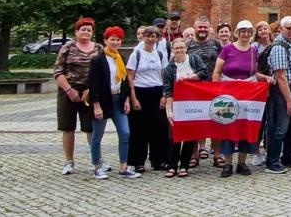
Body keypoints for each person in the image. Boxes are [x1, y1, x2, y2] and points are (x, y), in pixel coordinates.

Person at [212, 20, 266, 177]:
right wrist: (216, 91)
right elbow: (217, 71)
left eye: (248, 31)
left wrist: (266, 78)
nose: (245, 34)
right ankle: (227, 164)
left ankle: (242, 163)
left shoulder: (253, 51)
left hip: (247, 94)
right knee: (228, 125)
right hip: (228, 92)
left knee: (245, 126)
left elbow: (253, 73)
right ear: (237, 32)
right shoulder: (228, 49)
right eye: (243, 31)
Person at [88, 26, 140, 180]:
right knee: (97, 135)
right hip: (103, 100)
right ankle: (97, 167)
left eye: (118, 40)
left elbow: (124, 82)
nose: (115, 42)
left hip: (118, 99)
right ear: (105, 41)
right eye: (112, 39)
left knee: (125, 133)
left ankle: (123, 167)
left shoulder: (120, 58)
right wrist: (96, 105)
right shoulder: (97, 59)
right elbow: (93, 84)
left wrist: (126, 100)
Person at [54, 18, 101, 175]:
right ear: (76, 31)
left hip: (90, 92)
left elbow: (103, 72)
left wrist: (91, 89)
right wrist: (69, 90)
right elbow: (58, 71)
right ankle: (69, 161)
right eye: (83, 29)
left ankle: (97, 159)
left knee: (91, 128)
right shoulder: (67, 48)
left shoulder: (98, 48)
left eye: (89, 30)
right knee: (68, 127)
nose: (86, 32)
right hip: (68, 90)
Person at [162, 37, 209, 177]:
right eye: (176, 48)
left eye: (182, 47)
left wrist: (189, 77)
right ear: (172, 50)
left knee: (190, 134)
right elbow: (168, 90)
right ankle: (172, 165)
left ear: (186, 48)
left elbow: (204, 73)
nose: (179, 50)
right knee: (175, 135)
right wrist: (169, 111)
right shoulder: (168, 69)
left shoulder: (194, 60)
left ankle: (184, 165)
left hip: (194, 101)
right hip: (177, 103)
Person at [266, 16, 291, 172]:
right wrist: (290, 100)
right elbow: (281, 76)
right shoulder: (279, 47)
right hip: (283, 91)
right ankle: (272, 161)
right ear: (281, 29)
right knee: (280, 126)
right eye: (289, 28)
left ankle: (288, 156)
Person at [127, 26, 169, 174]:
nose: (151, 39)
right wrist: (133, 98)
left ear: (158, 38)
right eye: (148, 36)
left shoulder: (160, 54)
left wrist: (164, 95)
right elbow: (130, 78)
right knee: (139, 129)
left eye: (154, 36)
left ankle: (158, 160)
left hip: (156, 91)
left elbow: (164, 76)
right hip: (140, 91)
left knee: (159, 128)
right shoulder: (136, 54)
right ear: (143, 37)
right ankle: (138, 161)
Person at [185, 14, 222, 169]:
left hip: (213, 87)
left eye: (205, 27)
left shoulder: (216, 44)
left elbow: (223, 63)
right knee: (195, 122)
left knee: (216, 120)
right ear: (195, 27)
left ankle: (217, 154)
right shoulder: (188, 45)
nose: (202, 30)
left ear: (209, 28)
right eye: (200, 27)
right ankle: (193, 155)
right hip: (194, 89)